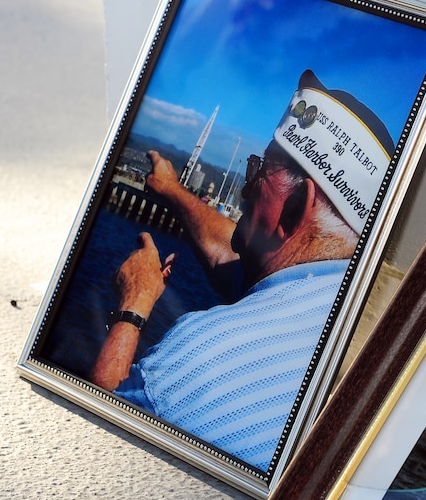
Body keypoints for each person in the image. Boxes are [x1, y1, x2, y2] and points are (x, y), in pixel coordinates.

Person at [89, 70, 394, 472]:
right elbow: (233, 251)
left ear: (298, 203)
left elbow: (96, 429)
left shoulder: (202, 357)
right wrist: (171, 190)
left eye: (258, 171)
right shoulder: (353, 305)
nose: (245, 189)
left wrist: (135, 303)